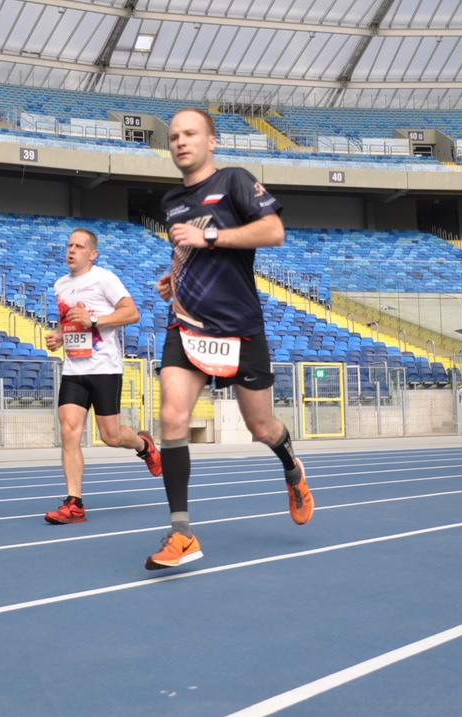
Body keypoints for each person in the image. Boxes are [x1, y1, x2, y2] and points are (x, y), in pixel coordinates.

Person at [144, 107, 313, 570]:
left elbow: (274, 231)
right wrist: (175, 277)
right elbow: (190, 252)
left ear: (211, 141)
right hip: (187, 324)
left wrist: (211, 237)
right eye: (174, 136)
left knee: (262, 428)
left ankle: (291, 467)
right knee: (171, 416)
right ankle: (182, 533)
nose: (181, 142)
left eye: (190, 133)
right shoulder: (172, 201)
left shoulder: (235, 180)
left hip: (240, 327)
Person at [42, 228, 161, 524]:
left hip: (104, 369)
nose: (71, 250)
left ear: (92, 254)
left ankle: (143, 445)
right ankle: (74, 503)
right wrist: (59, 336)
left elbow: (132, 313)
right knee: (69, 430)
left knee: (111, 436)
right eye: (69, 245)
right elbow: (68, 320)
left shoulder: (104, 279)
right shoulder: (60, 285)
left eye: (79, 246)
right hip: (74, 370)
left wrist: (94, 319)